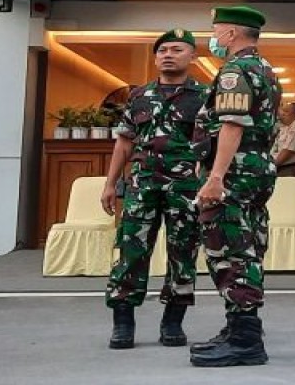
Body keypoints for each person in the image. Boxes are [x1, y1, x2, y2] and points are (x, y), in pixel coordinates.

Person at [101, 28, 208, 350]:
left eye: (177, 49)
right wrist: (110, 183)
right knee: (131, 251)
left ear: (192, 56)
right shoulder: (138, 96)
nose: (168, 55)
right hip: (142, 184)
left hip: (186, 187)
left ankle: (172, 322)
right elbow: (124, 141)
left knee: (183, 253)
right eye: (162, 50)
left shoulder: (205, 97)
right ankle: (123, 323)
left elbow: (214, 144)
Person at [188, 6, 281, 367]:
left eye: (215, 31)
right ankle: (238, 327)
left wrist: (215, 178)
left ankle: (245, 339)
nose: (211, 38)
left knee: (229, 247)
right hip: (256, 169)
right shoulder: (265, 70)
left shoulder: (235, 70)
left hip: (234, 171)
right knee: (249, 245)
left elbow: (232, 124)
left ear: (230, 34)